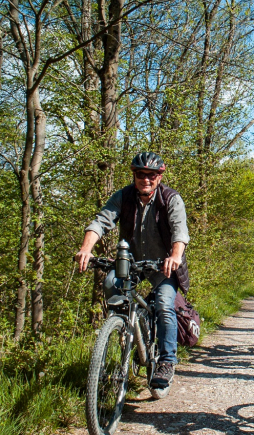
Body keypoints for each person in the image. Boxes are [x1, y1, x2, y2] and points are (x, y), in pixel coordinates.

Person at [75, 151, 190, 393]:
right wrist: (86, 249)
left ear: (159, 176)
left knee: (163, 304)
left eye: (151, 175)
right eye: (140, 174)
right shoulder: (124, 197)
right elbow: (101, 222)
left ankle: (167, 361)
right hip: (131, 262)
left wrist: (175, 256)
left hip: (162, 264)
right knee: (110, 283)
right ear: (134, 175)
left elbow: (180, 231)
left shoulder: (170, 198)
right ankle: (126, 329)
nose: (145, 179)